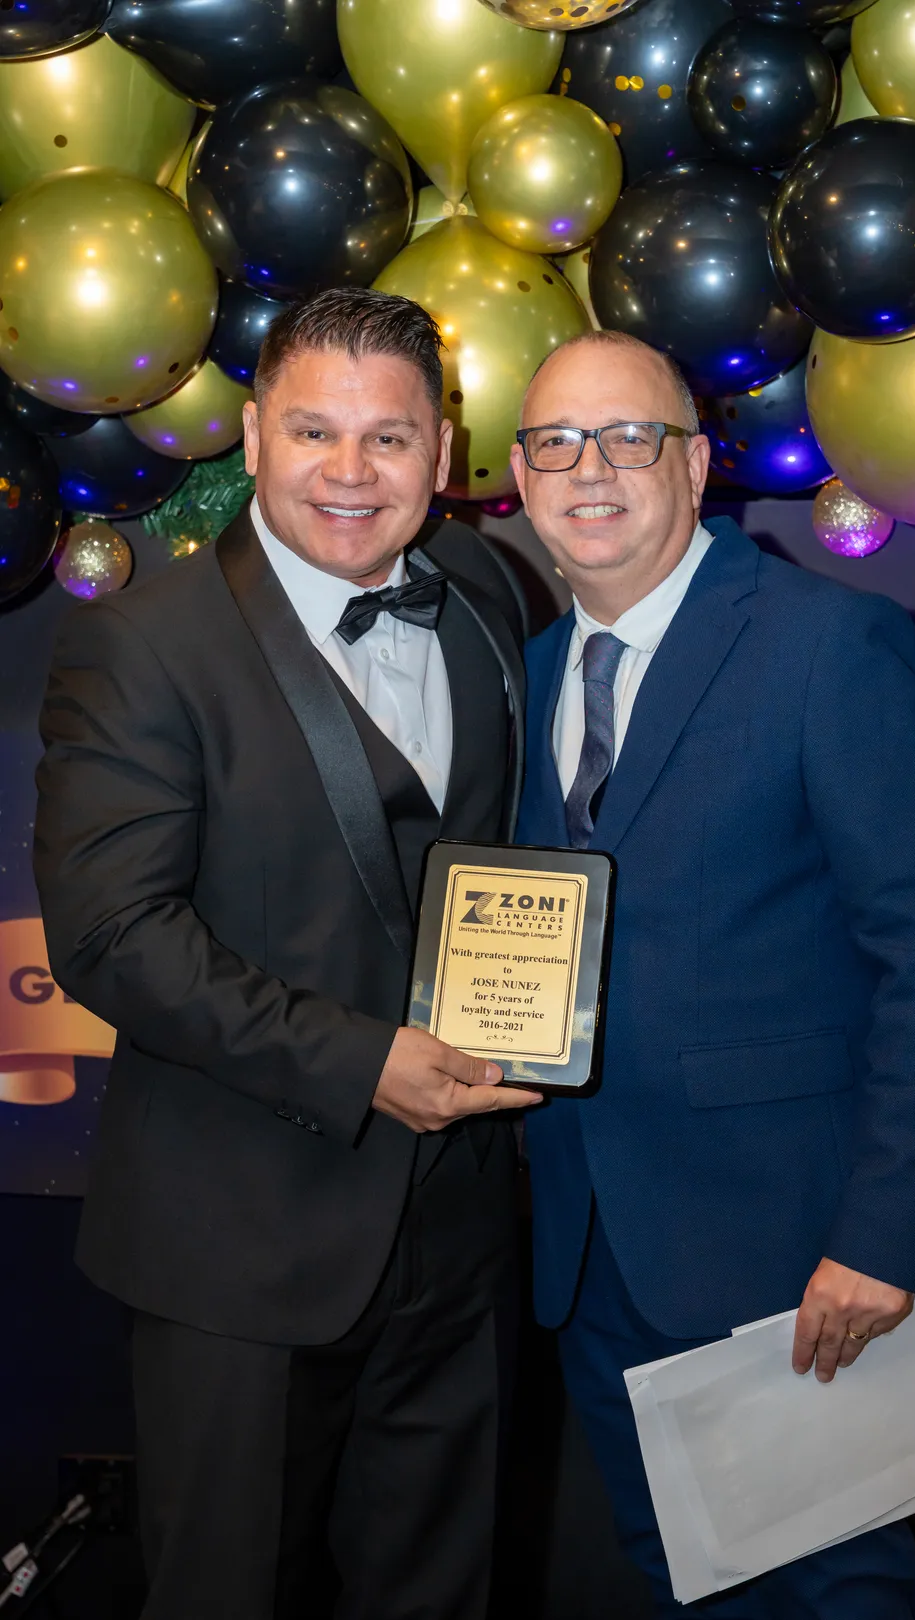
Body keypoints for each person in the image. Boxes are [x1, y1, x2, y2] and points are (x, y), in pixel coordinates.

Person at [33, 287, 542, 1620]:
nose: (351, 472)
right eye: (315, 430)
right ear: (254, 436)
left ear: (445, 452)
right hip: (238, 1245)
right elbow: (112, 935)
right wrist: (363, 1061)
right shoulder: (141, 644)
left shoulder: (488, 590)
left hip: (463, 1229)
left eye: (389, 437)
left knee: (440, 1591)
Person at [510, 330, 915, 1618]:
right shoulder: (536, 670)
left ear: (696, 460)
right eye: (557, 442)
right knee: (681, 1584)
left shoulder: (829, 644)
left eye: (629, 436)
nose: (591, 468)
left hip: (796, 1254)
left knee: (838, 1593)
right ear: (516, 473)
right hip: (592, 1247)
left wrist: (883, 1237)